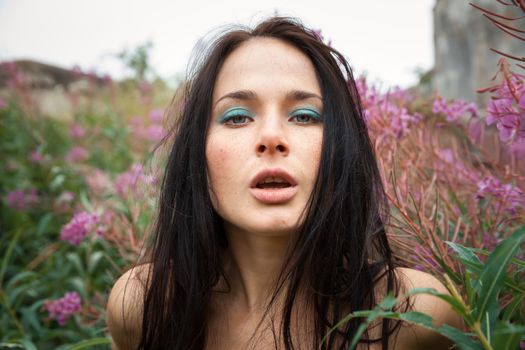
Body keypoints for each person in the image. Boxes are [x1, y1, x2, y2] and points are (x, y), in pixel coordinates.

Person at [106, 16, 461, 350]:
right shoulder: (142, 306)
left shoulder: (414, 314)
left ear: (342, 148)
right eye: (237, 117)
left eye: (304, 116)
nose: (272, 137)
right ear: (196, 152)